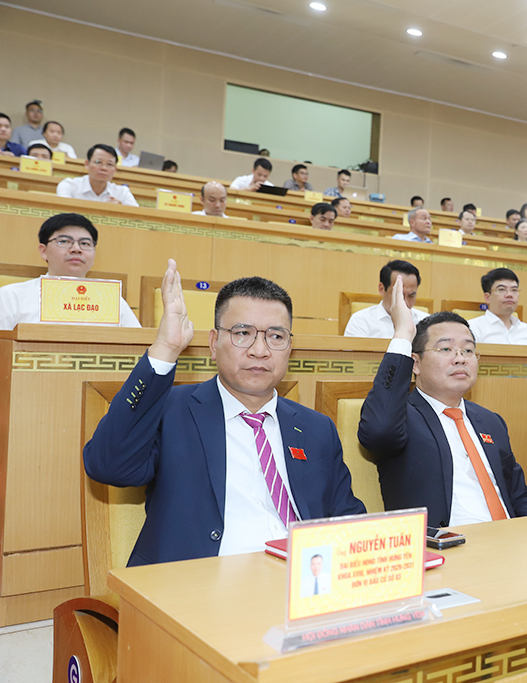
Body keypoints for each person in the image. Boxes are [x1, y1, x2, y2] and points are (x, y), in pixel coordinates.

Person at [83, 263, 366, 565]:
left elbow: (348, 521)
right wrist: (165, 348)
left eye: (276, 336)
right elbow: (108, 466)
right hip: (198, 583)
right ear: (213, 343)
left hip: (302, 579)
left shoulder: (316, 427)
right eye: (242, 333)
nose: (260, 350)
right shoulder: (172, 410)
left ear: (289, 348)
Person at [357, 281, 527, 527]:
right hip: (449, 543)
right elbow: (377, 432)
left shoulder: (491, 421)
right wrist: (403, 334)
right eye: (445, 349)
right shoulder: (401, 417)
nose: (460, 359)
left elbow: (519, 495)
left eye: (468, 351)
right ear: (415, 363)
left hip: (510, 539)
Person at [0, 213, 141, 330]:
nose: (76, 249)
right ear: (44, 251)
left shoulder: (111, 300)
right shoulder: (11, 297)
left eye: (85, 243)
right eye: (64, 241)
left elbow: (139, 347)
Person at [344, 260, 428, 338]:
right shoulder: (361, 321)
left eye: (411, 296)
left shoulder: (427, 322)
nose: (405, 302)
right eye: (398, 295)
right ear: (382, 289)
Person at [468, 268, 527, 345]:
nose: (509, 295)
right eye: (501, 289)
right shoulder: (473, 328)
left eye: (514, 290)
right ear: (487, 297)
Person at [56, 144, 139, 206]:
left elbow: (138, 218)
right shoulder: (69, 186)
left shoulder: (122, 192)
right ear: (87, 164)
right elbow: (63, 212)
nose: (104, 168)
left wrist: (121, 209)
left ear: (115, 170)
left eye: (109, 164)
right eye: (98, 162)